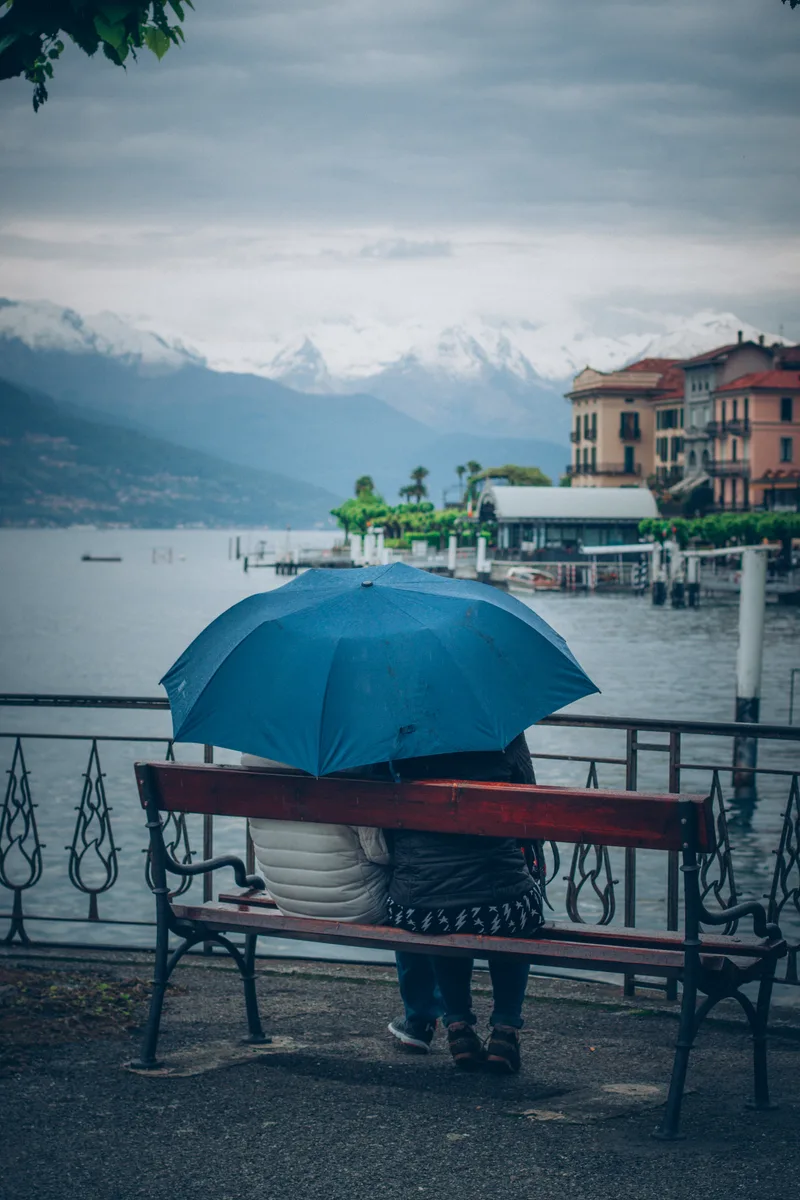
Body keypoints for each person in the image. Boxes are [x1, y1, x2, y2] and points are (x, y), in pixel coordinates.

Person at [382, 733, 542, 1073]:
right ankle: (505, 1030)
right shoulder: (500, 731)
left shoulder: (395, 734)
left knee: (444, 906)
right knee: (518, 911)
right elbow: (530, 801)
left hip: (421, 907)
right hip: (500, 902)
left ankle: (458, 1028)